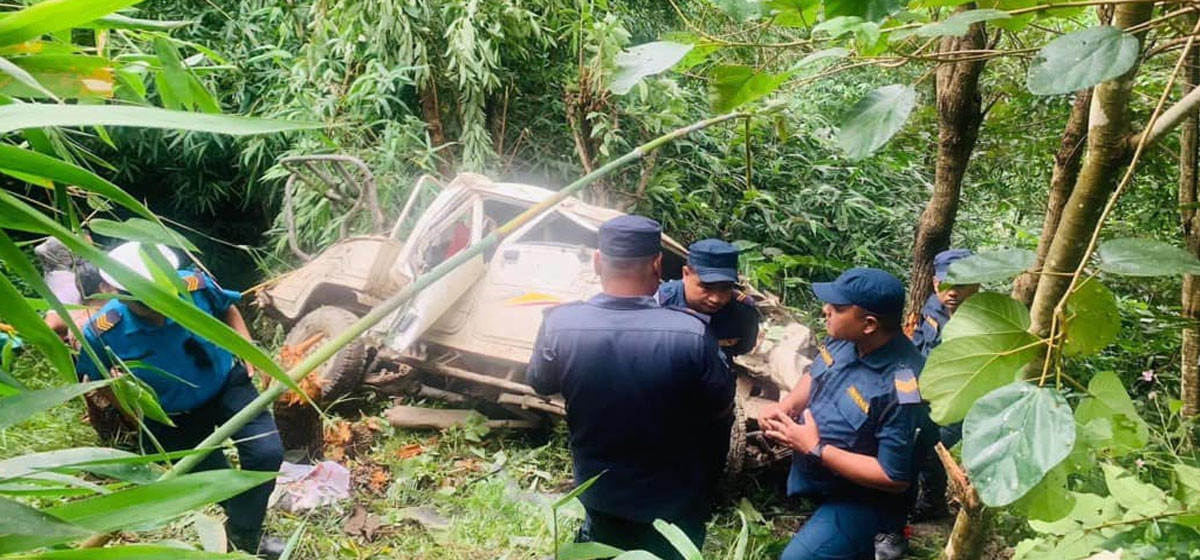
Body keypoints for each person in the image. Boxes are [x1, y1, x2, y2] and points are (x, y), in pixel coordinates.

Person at [527, 215, 734, 559]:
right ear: (657, 264)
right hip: (675, 502)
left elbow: (542, 385)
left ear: (597, 261)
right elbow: (720, 407)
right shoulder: (693, 334)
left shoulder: (559, 324)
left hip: (598, 492)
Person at [74, 242, 285, 559]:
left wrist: (246, 347)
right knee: (215, 481)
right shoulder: (102, 331)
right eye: (144, 303)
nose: (157, 310)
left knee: (267, 452)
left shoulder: (194, 285)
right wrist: (128, 409)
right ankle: (246, 529)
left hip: (226, 383)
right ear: (111, 289)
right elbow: (99, 377)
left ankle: (243, 532)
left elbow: (227, 307)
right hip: (174, 415)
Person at [759, 268, 928, 560]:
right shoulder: (844, 338)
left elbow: (894, 476)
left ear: (870, 324)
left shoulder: (903, 389)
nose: (826, 311)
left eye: (838, 308)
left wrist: (815, 448)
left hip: (863, 499)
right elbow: (816, 373)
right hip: (824, 480)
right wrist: (788, 407)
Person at [657, 239, 760, 357]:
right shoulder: (657, 305)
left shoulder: (743, 314)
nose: (716, 299)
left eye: (725, 288)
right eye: (706, 287)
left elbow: (743, 348)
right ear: (686, 273)